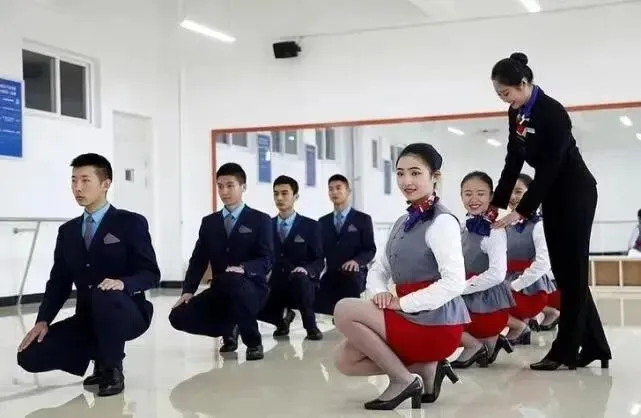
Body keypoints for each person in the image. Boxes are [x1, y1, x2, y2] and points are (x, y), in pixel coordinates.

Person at [488, 52, 611, 370]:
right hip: (552, 194)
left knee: (573, 274)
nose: (505, 100)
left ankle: (563, 351)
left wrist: (522, 211)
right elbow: (513, 159)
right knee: (567, 274)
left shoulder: (552, 112)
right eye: (500, 95)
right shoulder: (517, 113)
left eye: (507, 93)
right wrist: (496, 204)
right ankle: (596, 346)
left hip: (576, 193)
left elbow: (550, 168)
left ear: (524, 83)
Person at [333, 143, 468, 410]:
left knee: (344, 309)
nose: (406, 181)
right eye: (400, 173)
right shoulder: (401, 222)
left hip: (435, 323)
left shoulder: (443, 222)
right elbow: (379, 268)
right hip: (409, 317)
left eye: (415, 173)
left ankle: (402, 380)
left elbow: (455, 282)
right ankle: (425, 368)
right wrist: (380, 292)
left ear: (435, 177)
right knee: (344, 361)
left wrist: (402, 303)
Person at [17, 153, 159, 397]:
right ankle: (99, 355)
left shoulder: (130, 223)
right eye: (74, 181)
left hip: (127, 312)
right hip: (88, 318)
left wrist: (123, 283)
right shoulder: (68, 231)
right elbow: (59, 282)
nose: (77, 188)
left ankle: (112, 368)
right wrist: (43, 320)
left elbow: (151, 274)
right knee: (29, 355)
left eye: (85, 180)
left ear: (105, 184)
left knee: (106, 293)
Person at [169, 163, 273, 361]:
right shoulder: (210, 222)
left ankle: (253, 342)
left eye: (230, 185)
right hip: (220, 289)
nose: (224, 191)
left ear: (243, 187)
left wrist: (244, 268)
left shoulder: (260, 220)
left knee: (234, 282)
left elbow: (267, 259)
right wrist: (188, 291)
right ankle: (229, 326)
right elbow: (198, 259)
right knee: (177, 316)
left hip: (252, 288)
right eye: (220, 186)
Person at [452, 171, 514, 369]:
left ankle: (479, 345)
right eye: (468, 193)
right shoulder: (462, 225)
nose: (474, 199)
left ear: (491, 196)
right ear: (461, 196)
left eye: (480, 193)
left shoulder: (495, 230)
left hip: (486, 303)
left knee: (435, 319)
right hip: (467, 295)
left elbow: (497, 274)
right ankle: (490, 342)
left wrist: (458, 288)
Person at [258, 175, 324, 340]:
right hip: (275, 282)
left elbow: (319, 260)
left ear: (295, 196)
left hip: (301, 283)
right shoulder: (265, 226)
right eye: (276, 194)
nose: (279, 198)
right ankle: (282, 320)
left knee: (299, 279)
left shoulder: (311, 226)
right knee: (251, 296)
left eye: (284, 193)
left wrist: (307, 270)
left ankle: (311, 326)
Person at [502, 174, 556, 345]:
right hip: (510, 281)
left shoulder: (538, 225)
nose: (512, 197)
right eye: (509, 192)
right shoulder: (507, 224)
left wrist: (514, 285)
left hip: (531, 289)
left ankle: (520, 326)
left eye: (518, 191)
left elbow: (543, 263)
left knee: (483, 304)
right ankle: (523, 324)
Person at [315, 174, 376, 316]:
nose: (334, 192)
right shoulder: (323, 222)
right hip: (331, 273)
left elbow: (370, 249)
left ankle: (349, 318)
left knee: (348, 301)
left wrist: (356, 261)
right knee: (317, 299)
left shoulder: (362, 219)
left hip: (354, 274)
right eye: (331, 189)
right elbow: (319, 253)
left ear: (348, 191)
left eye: (338, 188)